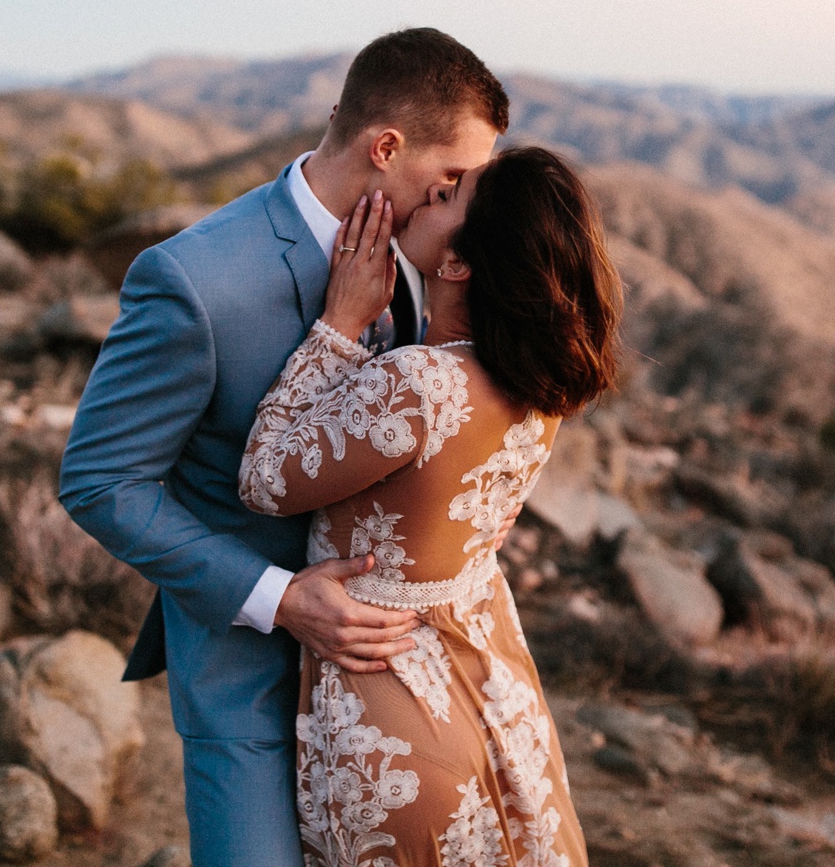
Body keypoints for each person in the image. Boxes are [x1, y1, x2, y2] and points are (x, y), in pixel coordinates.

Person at [58, 29, 510, 866]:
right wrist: (279, 597)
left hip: (389, 682)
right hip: (247, 675)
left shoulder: (427, 255)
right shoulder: (195, 280)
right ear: (385, 148)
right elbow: (100, 482)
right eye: (451, 180)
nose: (459, 204)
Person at [239, 145, 623, 865]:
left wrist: (340, 325)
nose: (427, 199)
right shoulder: (541, 389)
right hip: (491, 680)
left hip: (388, 699)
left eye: (449, 199)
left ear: (455, 265)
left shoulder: (418, 383)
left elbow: (264, 480)